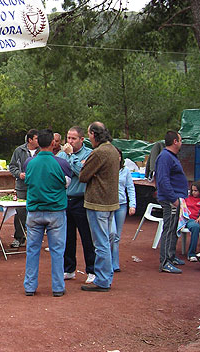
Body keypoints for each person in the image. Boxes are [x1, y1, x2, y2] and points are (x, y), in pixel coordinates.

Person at [23, 129, 68, 297]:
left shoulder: (29, 162)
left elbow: (27, 181)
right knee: (57, 251)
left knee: (32, 249)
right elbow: (66, 183)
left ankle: (30, 286)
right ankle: (57, 287)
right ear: (52, 144)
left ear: (38, 143)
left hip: (35, 211)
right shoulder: (61, 163)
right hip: (56, 210)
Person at [78, 122, 120, 292]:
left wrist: (87, 168)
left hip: (97, 202)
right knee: (106, 240)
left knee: (100, 242)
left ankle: (102, 280)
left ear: (94, 134)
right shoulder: (112, 150)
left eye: (89, 134)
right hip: (110, 202)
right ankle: (106, 276)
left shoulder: (98, 153)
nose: (89, 138)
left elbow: (83, 176)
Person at [57, 126, 96, 284]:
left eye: (73, 138)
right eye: (68, 138)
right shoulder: (61, 154)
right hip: (66, 199)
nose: (70, 141)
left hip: (82, 199)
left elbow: (82, 173)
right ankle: (69, 268)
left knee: (87, 236)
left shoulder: (89, 154)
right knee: (67, 236)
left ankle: (92, 270)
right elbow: (59, 171)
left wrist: (71, 157)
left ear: (82, 139)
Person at [155, 130, 188, 274]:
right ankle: (165, 262)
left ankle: (171, 256)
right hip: (170, 200)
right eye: (180, 140)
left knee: (174, 228)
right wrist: (173, 199)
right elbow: (162, 180)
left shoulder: (171, 157)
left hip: (176, 199)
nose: (181, 143)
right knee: (168, 229)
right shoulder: (165, 157)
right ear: (175, 141)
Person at [8, 129, 39, 248]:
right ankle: (18, 237)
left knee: (36, 213)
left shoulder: (42, 151)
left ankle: (34, 238)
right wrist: (19, 174)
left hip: (37, 188)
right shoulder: (19, 150)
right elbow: (12, 166)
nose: (38, 141)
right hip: (22, 187)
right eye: (36, 138)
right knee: (20, 213)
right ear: (30, 139)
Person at [111, 147, 136, 272]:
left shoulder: (125, 171)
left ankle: (114, 263)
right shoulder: (107, 169)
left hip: (122, 205)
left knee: (116, 236)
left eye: (119, 155)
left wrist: (133, 204)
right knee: (111, 233)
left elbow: (130, 187)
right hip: (109, 205)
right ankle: (107, 260)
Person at [178, 180, 200, 261]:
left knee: (195, 226)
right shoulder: (187, 198)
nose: (193, 193)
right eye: (192, 190)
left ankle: (191, 254)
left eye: (196, 191)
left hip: (194, 221)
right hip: (184, 219)